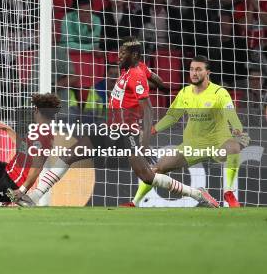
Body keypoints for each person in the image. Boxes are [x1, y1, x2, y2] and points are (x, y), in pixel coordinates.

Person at [16, 38, 219, 208]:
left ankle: (197, 194)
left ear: (135, 56)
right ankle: (34, 197)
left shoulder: (136, 75)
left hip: (126, 132)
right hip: (110, 129)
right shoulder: (136, 69)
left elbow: (147, 110)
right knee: (70, 154)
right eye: (119, 52)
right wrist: (160, 84)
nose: (119, 56)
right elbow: (155, 78)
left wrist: (145, 141)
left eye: (123, 54)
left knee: (147, 176)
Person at [125, 56, 249, 207]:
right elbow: (172, 116)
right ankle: (135, 202)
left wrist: (237, 129)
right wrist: (152, 129)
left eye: (198, 69)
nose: (194, 73)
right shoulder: (185, 92)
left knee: (234, 147)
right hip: (192, 146)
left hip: (218, 144)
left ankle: (229, 193)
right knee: (157, 168)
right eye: (191, 69)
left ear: (207, 72)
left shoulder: (219, 93)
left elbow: (232, 115)